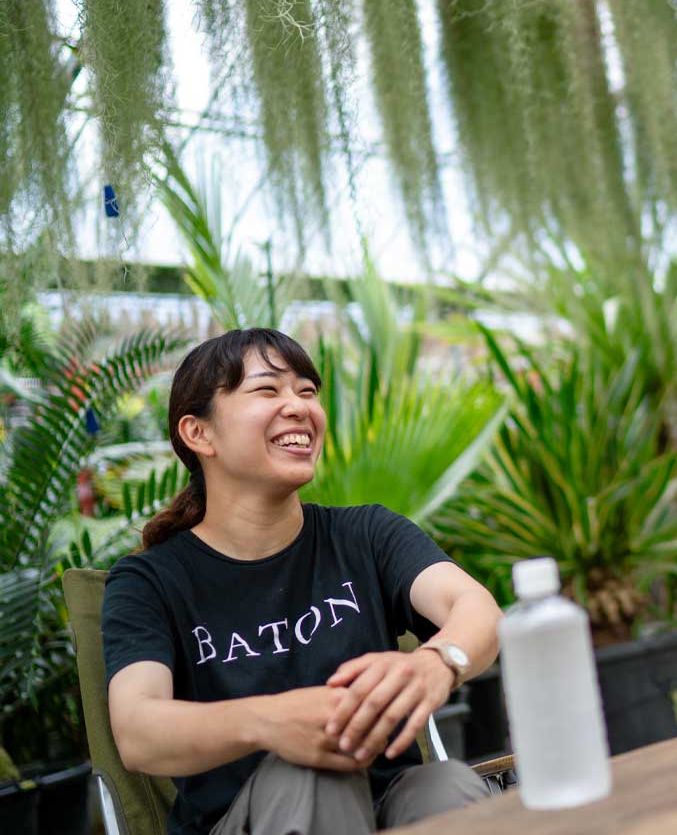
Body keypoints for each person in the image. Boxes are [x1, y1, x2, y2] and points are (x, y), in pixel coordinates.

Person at [103, 328, 503, 834]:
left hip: (388, 807)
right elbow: (139, 731)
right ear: (198, 433)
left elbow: (475, 607)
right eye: (267, 390)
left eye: (307, 391)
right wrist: (273, 721)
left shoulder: (364, 534)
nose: (298, 406)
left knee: (447, 785)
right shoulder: (150, 581)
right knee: (315, 773)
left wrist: (439, 661)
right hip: (248, 820)